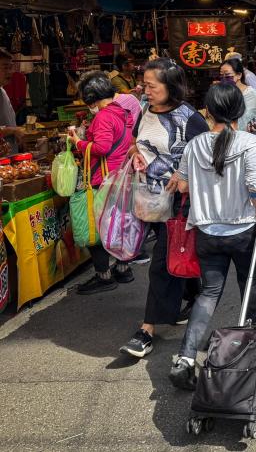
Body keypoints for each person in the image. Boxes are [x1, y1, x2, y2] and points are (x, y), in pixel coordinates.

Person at [168, 82, 256, 390]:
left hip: (206, 232)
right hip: (243, 231)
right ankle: (253, 346)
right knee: (248, 283)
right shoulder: (249, 142)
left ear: (208, 111)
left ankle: (186, 358)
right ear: (239, 111)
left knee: (208, 293)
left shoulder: (195, 144)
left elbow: (184, 186)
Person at [119, 58, 210, 358]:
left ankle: (147, 329)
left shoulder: (189, 118)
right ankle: (194, 300)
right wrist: (136, 155)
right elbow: (136, 142)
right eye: (144, 84)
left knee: (160, 264)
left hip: (178, 204)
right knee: (178, 256)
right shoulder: (145, 110)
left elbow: (206, 159)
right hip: (148, 199)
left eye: (151, 85)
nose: (145, 90)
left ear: (171, 87)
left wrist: (184, 177)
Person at [69, 72, 133, 294]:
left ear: (92, 98)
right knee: (117, 224)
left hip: (103, 180)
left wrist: (78, 142)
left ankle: (103, 275)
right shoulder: (122, 112)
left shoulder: (104, 116)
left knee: (96, 226)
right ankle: (123, 268)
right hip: (120, 177)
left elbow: (101, 148)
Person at [219, 58, 256, 135]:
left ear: (239, 75)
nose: (224, 79)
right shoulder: (223, 95)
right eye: (221, 76)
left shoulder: (253, 94)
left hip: (250, 141)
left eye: (227, 75)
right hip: (231, 140)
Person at [0, 48, 24, 154]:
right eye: (5, 68)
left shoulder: (2, 91)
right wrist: (14, 131)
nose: (10, 72)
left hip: (8, 162)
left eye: (11, 67)